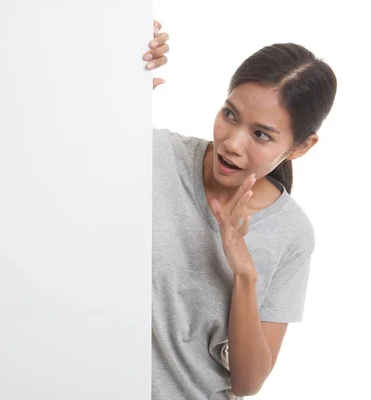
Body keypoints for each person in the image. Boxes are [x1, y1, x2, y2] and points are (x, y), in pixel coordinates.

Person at [143, 21, 337, 399]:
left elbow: (248, 384)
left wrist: (244, 274)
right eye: (230, 114)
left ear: (301, 147)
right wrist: (116, 76)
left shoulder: (291, 233)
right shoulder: (157, 157)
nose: (232, 143)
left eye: (261, 134)